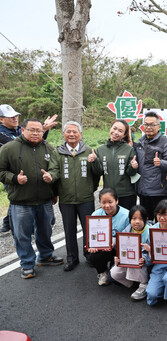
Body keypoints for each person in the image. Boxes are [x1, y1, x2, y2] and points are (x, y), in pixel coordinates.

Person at [0, 118, 62, 278]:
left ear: (43, 132)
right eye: (32, 130)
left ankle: (46, 256)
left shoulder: (49, 148)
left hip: (45, 199)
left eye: (39, 130)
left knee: (45, 230)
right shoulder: (9, 148)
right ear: (23, 130)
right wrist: (15, 179)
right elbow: (1, 171)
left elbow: (56, 170)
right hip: (21, 202)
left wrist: (54, 192)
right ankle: (27, 263)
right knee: (22, 234)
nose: (35, 133)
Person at [45, 121, 100, 271]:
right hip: (66, 199)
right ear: (64, 134)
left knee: (88, 229)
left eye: (75, 131)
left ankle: (89, 255)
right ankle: (72, 258)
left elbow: (97, 173)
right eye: (68, 131)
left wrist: (94, 163)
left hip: (86, 198)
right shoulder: (58, 153)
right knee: (69, 230)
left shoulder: (89, 151)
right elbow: (54, 170)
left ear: (80, 135)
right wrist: (50, 176)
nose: (71, 134)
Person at [0, 104, 57, 234]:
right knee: (18, 198)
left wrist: (40, 130)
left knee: (27, 197)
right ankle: (12, 225)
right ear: (1, 119)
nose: (15, 119)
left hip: (32, 175)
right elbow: (20, 142)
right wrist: (41, 128)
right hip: (11, 173)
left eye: (16, 116)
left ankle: (8, 223)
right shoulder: (3, 135)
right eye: (10, 117)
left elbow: (34, 142)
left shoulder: (18, 130)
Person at [133, 112, 167, 221]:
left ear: (159, 126)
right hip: (143, 191)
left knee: (161, 221)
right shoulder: (140, 143)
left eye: (152, 125)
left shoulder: (166, 143)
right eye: (146, 124)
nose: (149, 127)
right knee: (146, 221)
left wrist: (161, 162)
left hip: (159, 191)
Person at [86, 188, 130, 286]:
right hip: (104, 248)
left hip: (120, 249)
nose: (107, 206)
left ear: (117, 201)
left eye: (110, 202)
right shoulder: (95, 215)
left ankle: (113, 269)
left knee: (117, 281)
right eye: (103, 202)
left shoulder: (126, 215)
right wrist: (92, 245)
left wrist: (113, 244)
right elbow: (92, 236)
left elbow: (129, 239)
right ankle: (103, 272)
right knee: (93, 256)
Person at [92, 120, 137, 210]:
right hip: (108, 194)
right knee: (110, 222)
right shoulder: (101, 149)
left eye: (120, 131)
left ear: (124, 135)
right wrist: (94, 161)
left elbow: (131, 173)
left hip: (126, 194)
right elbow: (99, 172)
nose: (116, 132)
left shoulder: (128, 149)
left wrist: (133, 167)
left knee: (126, 221)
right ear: (110, 128)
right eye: (114, 128)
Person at [110, 205, 151, 301]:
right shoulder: (128, 229)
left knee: (138, 261)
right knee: (114, 273)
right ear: (130, 220)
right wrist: (118, 257)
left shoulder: (150, 232)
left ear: (146, 219)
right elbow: (122, 247)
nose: (137, 221)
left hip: (146, 264)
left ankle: (144, 285)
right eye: (133, 218)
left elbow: (155, 256)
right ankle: (134, 283)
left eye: (140, 219)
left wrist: (145, 258)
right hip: (130, 260)